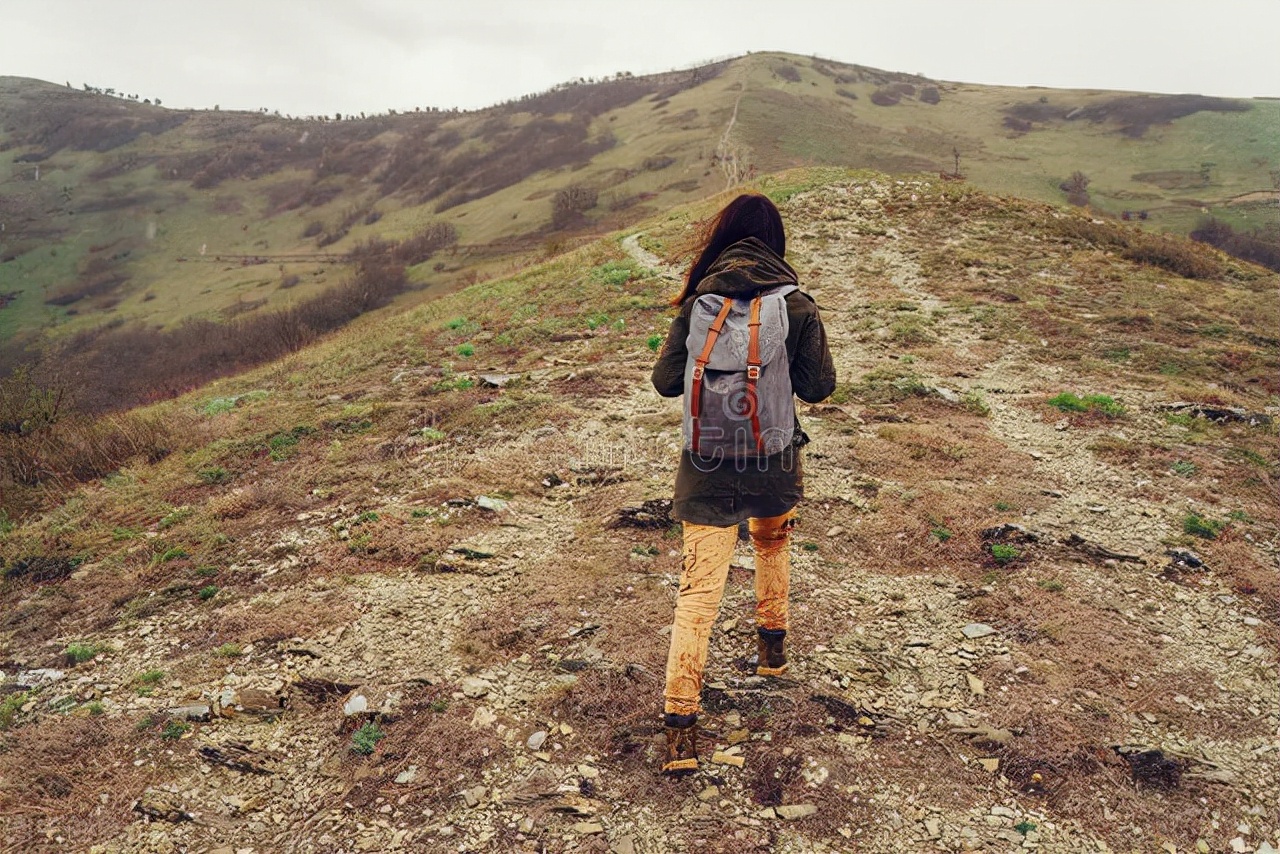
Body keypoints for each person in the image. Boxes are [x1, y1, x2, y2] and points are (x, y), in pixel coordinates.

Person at [650, 193, 836, 774]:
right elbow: (818, 389)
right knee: (772, 544)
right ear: (775, 241)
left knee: (698, 593)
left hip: (705, 464)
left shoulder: (699, 304)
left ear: (723, 239)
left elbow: (664, 383)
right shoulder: (798, 305)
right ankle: (771, 652)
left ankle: (681, 730)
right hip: (774, 459)